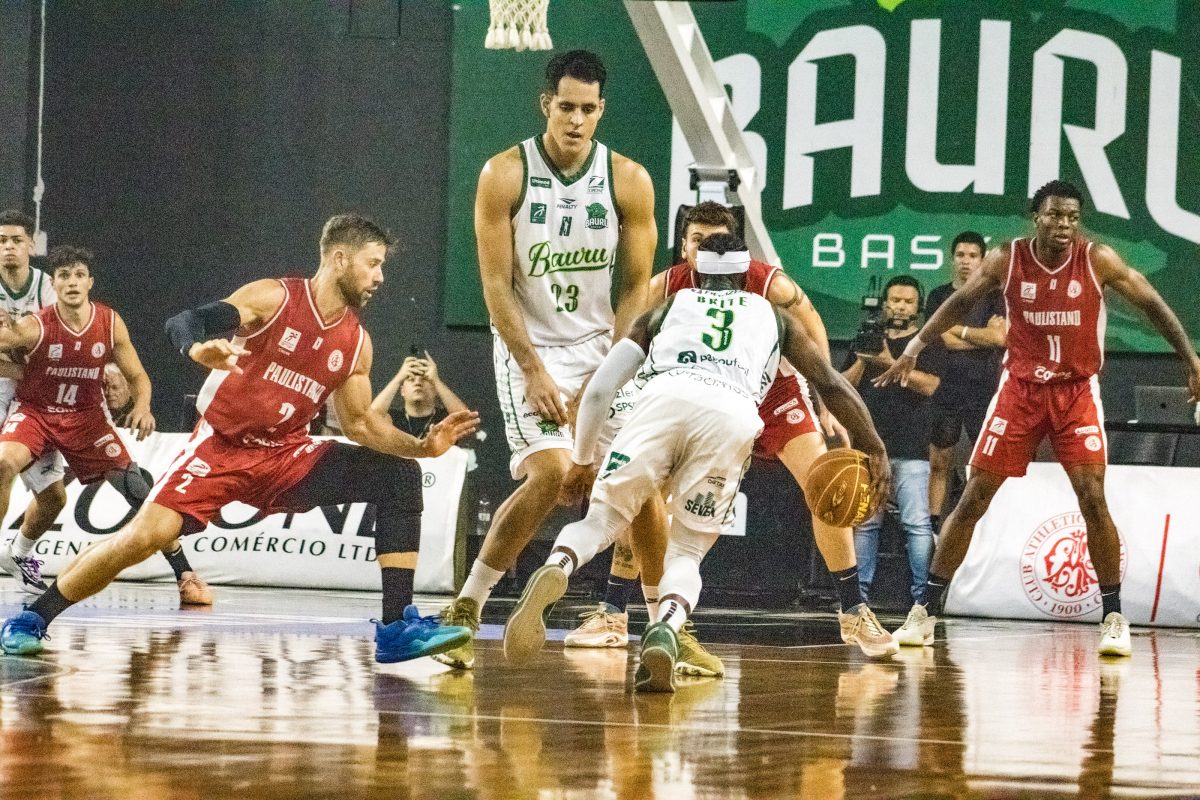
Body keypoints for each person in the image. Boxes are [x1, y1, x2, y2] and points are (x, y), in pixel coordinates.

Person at [0, 214, 480, 663]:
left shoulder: (356, 342)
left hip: (288, 456)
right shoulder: (275, 298)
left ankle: (395, 627)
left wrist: (422, 448)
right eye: (372, 264)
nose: (379, 277)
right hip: (220, 450)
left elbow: (360, 424)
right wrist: (197, 348)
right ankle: (32, 617)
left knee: (399, 476)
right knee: (141, 539)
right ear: (340, 259)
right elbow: (184, 322)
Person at [500, 234, 889, 692]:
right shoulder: (773, 315)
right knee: (686, 551)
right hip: (731, 413)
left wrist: (582, 461)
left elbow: (602, 388)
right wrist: (874, 446)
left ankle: (560, 564)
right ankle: (666, 626)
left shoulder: (667, 307)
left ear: (697, 274)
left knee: (602, 519)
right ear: (745, 277)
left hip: (661, 402)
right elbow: (831, 382)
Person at [877, 180, 1200, 657]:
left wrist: (1190, 359)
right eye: (1054, 215)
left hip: (1075, 391)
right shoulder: (1007, 259)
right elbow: (959, 302)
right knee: (974, 496)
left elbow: (1151, 302)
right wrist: (916, 345)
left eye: (1072, 217)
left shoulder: (1097, 259)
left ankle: (1113, 616)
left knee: (1092, 497)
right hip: (1020, 390)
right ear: (1037, 217)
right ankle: (925, 609)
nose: (1064, 224)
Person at [435, 50, 656, 670]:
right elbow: (495, 284)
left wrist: (611, 368)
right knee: (553, 474)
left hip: (602, 351)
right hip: (531, 349)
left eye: (588, 109)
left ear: (601, 110)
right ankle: (467, 606)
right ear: (545, 105)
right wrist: (532, 368)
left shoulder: (629, 180)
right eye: (566, 107)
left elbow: (635, 289)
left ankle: (667, 621)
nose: (576, 120)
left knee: (642, 481)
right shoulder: (504, 173)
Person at [0, 244, 211, 604]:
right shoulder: (35, 326)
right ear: (54, 284)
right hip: (36, 412)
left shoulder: (109, 323)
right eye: (64, 276)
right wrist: (17, 368)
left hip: (86, 419)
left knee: (135, 489)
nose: (72, 282)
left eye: (79, 275)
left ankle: (185, 574)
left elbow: (138, 376)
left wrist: (143, 407)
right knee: (4, 462)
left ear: (90, 282)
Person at [841, 276, 939, 625]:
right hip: (870, 446)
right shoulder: (867, 338)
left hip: (911, 447)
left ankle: (924, 601)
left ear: (918, 307)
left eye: (908, 302)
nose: (900, 307)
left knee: (916, 524)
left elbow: (930, 386)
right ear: (884, 304)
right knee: (866, 525)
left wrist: (885, 361)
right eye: (895, 300)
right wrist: (865, 358)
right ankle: (859, 600)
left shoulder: (925, 342)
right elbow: (843, 387)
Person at [925, 232, 1006, 527]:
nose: (966, 261)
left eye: (972, 256)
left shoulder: (996, 296)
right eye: (960, 255)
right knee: (939, 463)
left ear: (982, 260)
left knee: (984, 465)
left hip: (984, 389)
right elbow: (938, 338)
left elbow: (1000, 338)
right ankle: (934, 526)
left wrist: (957, 330)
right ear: (952, 259)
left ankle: (986, 525)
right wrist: (980, 337)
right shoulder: (938, 296)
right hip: (945, 388)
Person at [372, 351, 468, 437]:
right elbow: (371, 418)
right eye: (411, 379)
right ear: (402, 391)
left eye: (424, 379)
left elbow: (466, 418)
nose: (417, 383)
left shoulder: (444, 419)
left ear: (436, 390)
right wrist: (398, 378)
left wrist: (436, 380)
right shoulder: (393, 418)